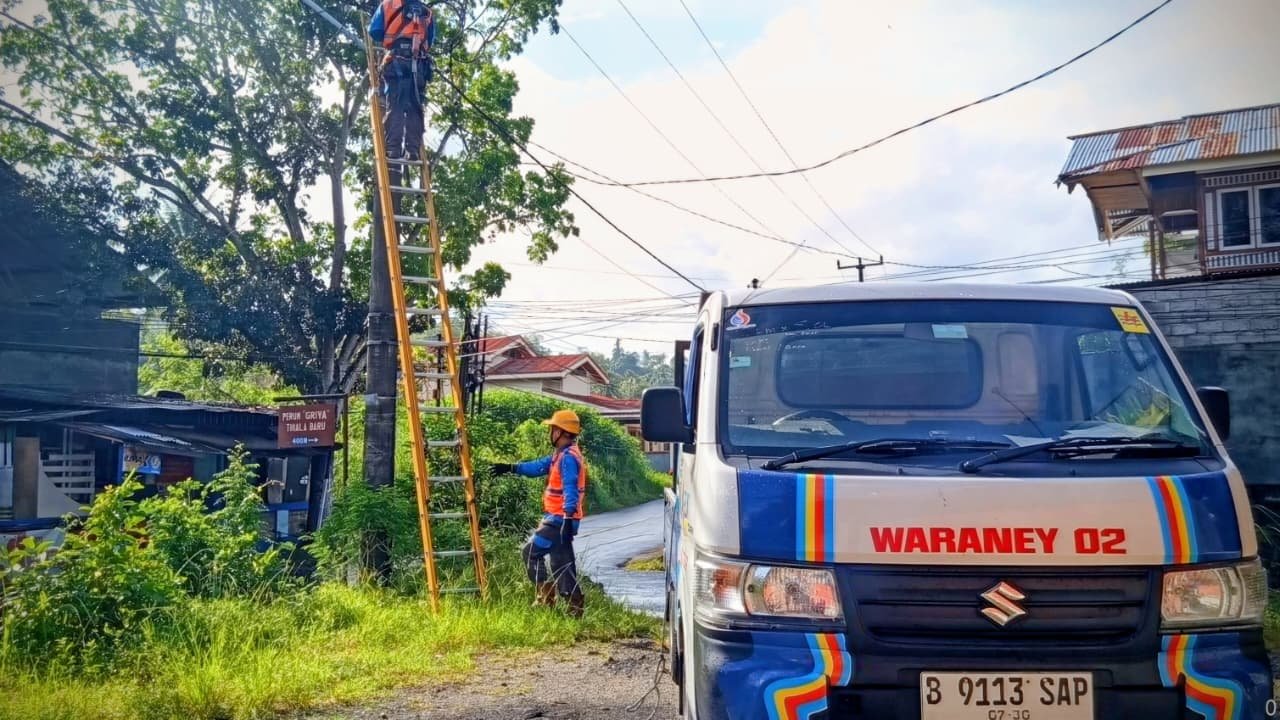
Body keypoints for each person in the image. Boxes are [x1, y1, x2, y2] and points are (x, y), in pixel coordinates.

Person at [490, 409, 588, 617]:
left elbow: (570, 489)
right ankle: (575, 607)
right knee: (561, 563)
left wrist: (567, 518)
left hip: (559, 519)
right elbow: (536, 467)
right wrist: (510, 468)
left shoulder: (568, 458)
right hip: (562, 519)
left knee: (530, 553)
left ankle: (545, 597)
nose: (550, 433)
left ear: (560, 432)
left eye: (552, 429)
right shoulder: (561, 455)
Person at [368, 0, 436, 163]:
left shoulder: (388, 4)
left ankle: (393, 149)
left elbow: (375, 32)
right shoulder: (427, 12)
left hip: (396, 61)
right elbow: (430, 40)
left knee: (396, 106)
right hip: (418, 65)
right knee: (415, 107)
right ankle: (413, 151)